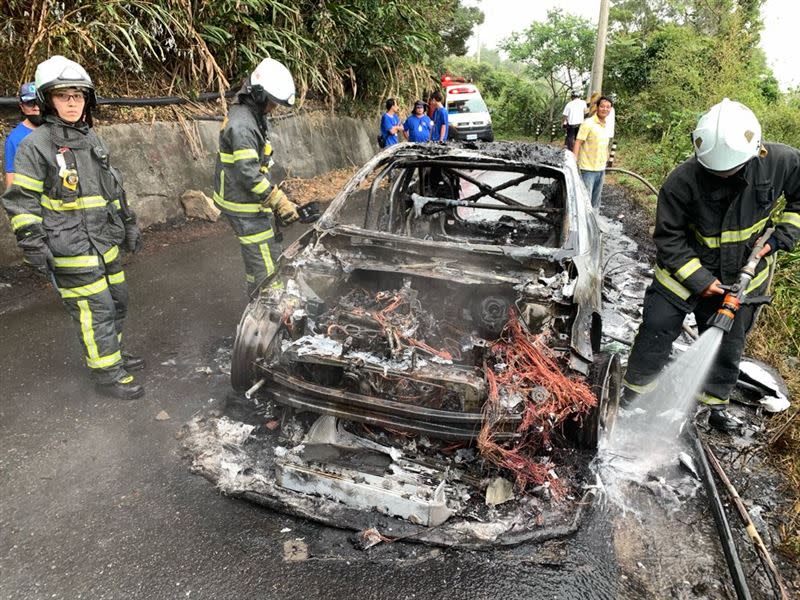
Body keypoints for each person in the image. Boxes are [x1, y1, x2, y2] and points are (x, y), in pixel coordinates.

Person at [622, 98, 800, 431]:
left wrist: (784, 235)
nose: (722, 176)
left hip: (742, 275)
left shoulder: (782, 162)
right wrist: (701, 279)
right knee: (656, 329)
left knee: (727, 345)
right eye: (715, 171)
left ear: (755, 152)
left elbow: (798, 198)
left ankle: (712, 407)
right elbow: (669, 239)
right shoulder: (681, 181)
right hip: (683, 272)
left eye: (730, 170)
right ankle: (634, 397)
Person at [1, 55, 145, 400]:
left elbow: (113, 189)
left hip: (104, 242)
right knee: (96, 311)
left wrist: (128, 223)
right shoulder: (34, 147)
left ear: (87, 100)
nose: (72, 102)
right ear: (47, 100)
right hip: (70, 248)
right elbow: (21, 200)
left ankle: (113, 356)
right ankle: (107, 375)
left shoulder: (92, 140)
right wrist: (32, 242)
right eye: (63, 95)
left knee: (117, 302)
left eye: (78, 96)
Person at [213, 57, 300, 296]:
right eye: (272, 102)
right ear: (259, 95)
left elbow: (258, 164)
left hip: (247, 199)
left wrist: (274, 195)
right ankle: (271, 313)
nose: (274, 108)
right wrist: (278, 200)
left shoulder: (251, 115)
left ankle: (256, 298)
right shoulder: (243, 125)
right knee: (265, 265)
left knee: (261, 256)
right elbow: (249, 174)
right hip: (243, 204)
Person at [573, 95, 613, 209]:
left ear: (610, 109)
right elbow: (578, 142)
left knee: (595, 201)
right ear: (597, 107)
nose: (605, 109)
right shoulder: (588, 123)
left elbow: (604, 145)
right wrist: (574, 161)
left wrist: (606, 160)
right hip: (587, 169)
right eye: (602, 106)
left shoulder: (606, 125)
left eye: (608, 107)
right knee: (585, 201)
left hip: (600, 169)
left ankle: (594, 223)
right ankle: (582, 225)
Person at [4, 82, 42, 187]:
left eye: (39, 102)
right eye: (30, 103)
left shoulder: (57, 129)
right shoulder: (15, 138)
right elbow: (11, 175)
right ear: (22, 106)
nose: (36, 108)